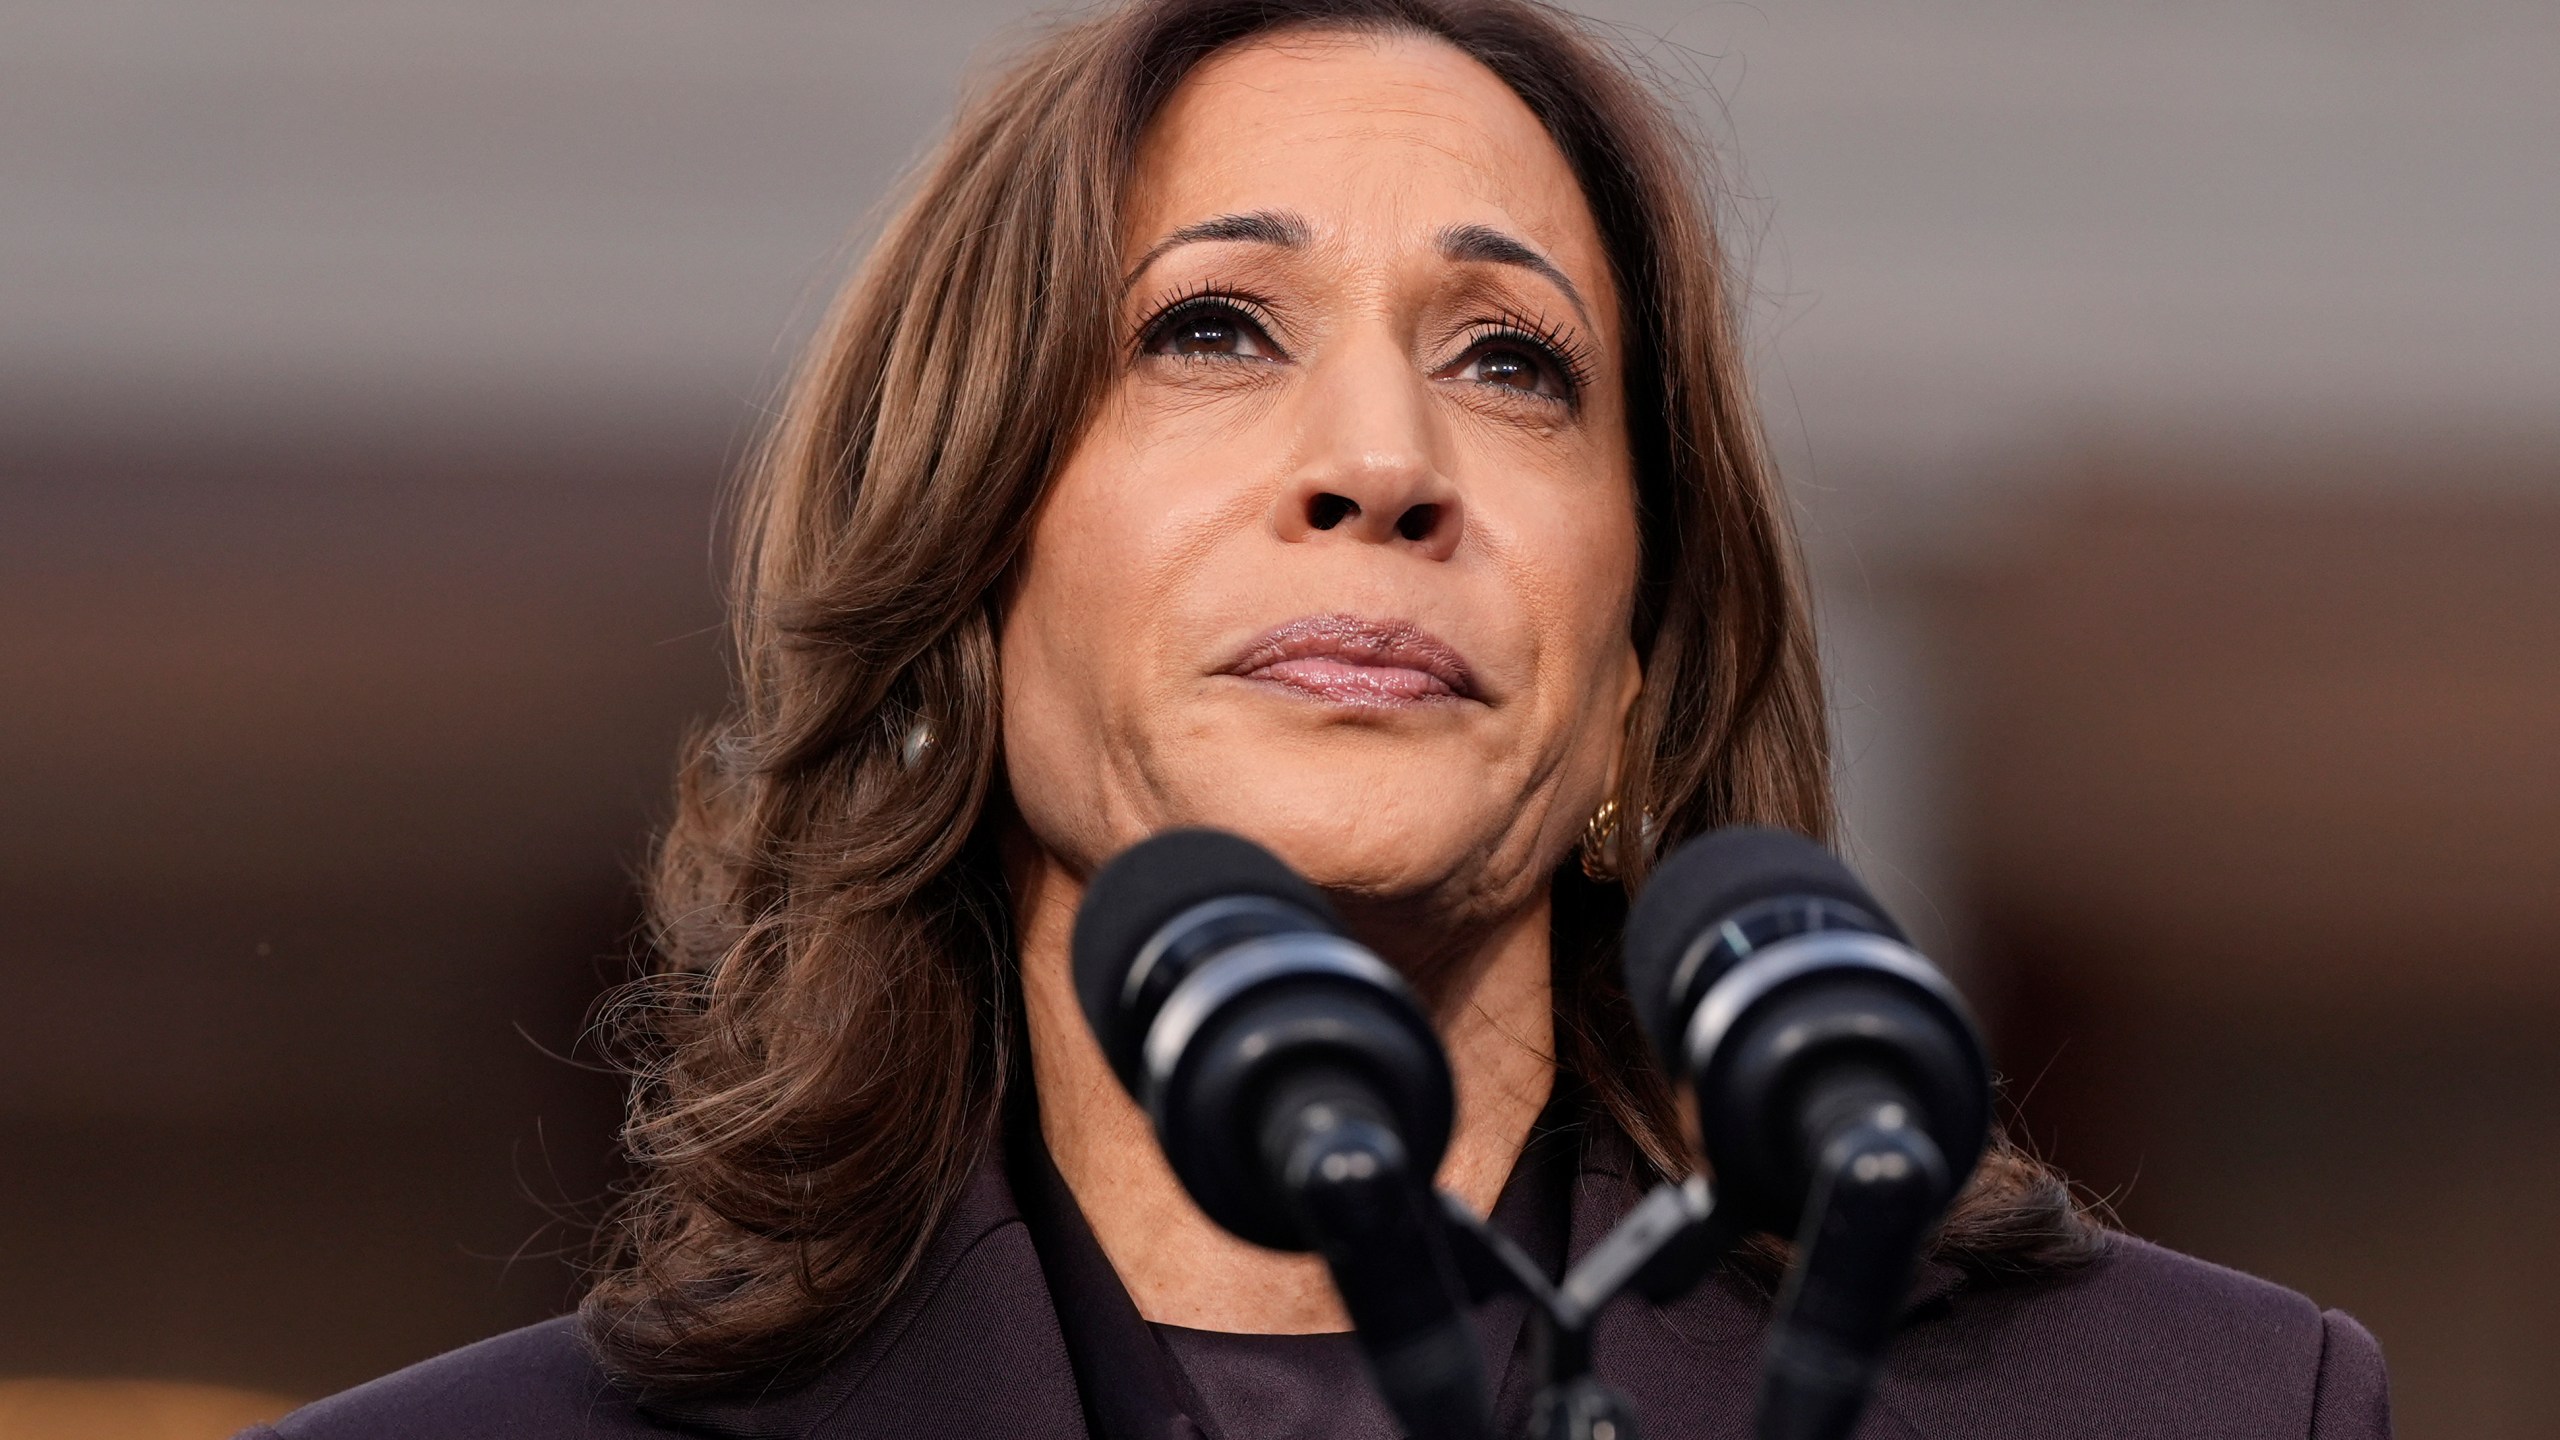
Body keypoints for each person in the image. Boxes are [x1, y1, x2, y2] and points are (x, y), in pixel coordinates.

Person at [248, 1, 2391, 1435]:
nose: (1379, 456)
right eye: (1210, 327)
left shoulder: (2200, 1406)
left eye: (1508, 361)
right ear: (965, 588)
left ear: (1636, 662)